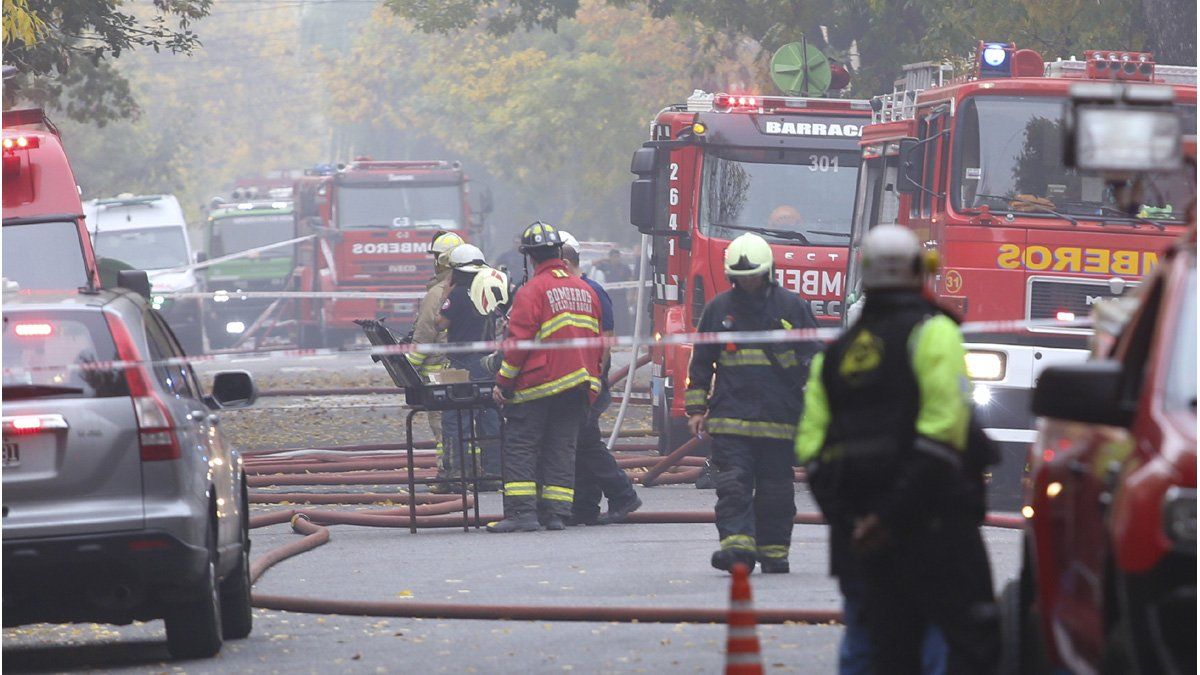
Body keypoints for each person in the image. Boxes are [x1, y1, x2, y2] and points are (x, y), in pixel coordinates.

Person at [795, 225, 999, 674]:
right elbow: (944, 435)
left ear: (864, 275)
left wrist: (856, 524)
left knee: (870, 649)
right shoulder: (935, 334)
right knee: (950, 648)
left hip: (860, 545)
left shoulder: (836, 352)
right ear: (920, 271)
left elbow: (812, 450)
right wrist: (890, 517)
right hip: (934, 535)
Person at [684, 233, 819, 574]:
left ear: (768, 272)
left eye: (753, 276)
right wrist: (697, 409)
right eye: (741, 278)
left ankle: (774, 553)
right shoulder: (719, 310)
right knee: (733, 484)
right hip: (732, 418)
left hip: (778, 418)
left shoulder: (792, 308)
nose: (748, 283)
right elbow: (701, 362)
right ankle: (738, 550)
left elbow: (816, 362)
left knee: (775, 490)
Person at [487, 221, 604, 533]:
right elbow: (598, 344)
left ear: (530, 258)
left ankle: (523, 513)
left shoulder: (531, 291)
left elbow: (517, 346)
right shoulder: (585, 290)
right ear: (558, 253)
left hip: (538, 385)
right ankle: (556, 514)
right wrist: (592, 386)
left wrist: (503, 383)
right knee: (561, 447)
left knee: (521, 445)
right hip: (579, 384)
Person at [558, 230, 642, 526]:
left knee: (587, 443)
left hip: (588, 383)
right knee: (580, 442)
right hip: (578, 382)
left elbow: (605, 341)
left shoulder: (592, 290)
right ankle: (585, 506)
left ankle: (622, 494)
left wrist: (595, 382)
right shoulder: (573, 289)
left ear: (563, 261)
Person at [436, 244, 503, 488]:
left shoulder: (457, 294)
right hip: (487, 363)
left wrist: (444, 293)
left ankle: (457, 476)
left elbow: (440, 323)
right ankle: (492, 475)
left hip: (460, 364)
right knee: (489, 418)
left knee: (456, 418)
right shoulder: (490, 292)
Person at [407, 231, 464, 487]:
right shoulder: (472, 287)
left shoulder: (437, 293)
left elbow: (423, 338)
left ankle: (449, 475)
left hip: (439, 376)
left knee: (444, 428)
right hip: (468, 371)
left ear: (440, 261)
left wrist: (408, 367)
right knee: (466, 426)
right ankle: (472, 472)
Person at [593, 248, 633, 335]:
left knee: (623, 317)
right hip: (610, 296)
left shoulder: (624, 268)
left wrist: (631, 295)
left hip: (622, 297)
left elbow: (632, 282)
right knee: (612, 317)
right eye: (614, 257)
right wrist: (605, 259)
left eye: (618, 257)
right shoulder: (606, 266)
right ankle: (613, 336)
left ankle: (624, 336)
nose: (616, 259)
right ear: (610, 258)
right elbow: (594, 263)